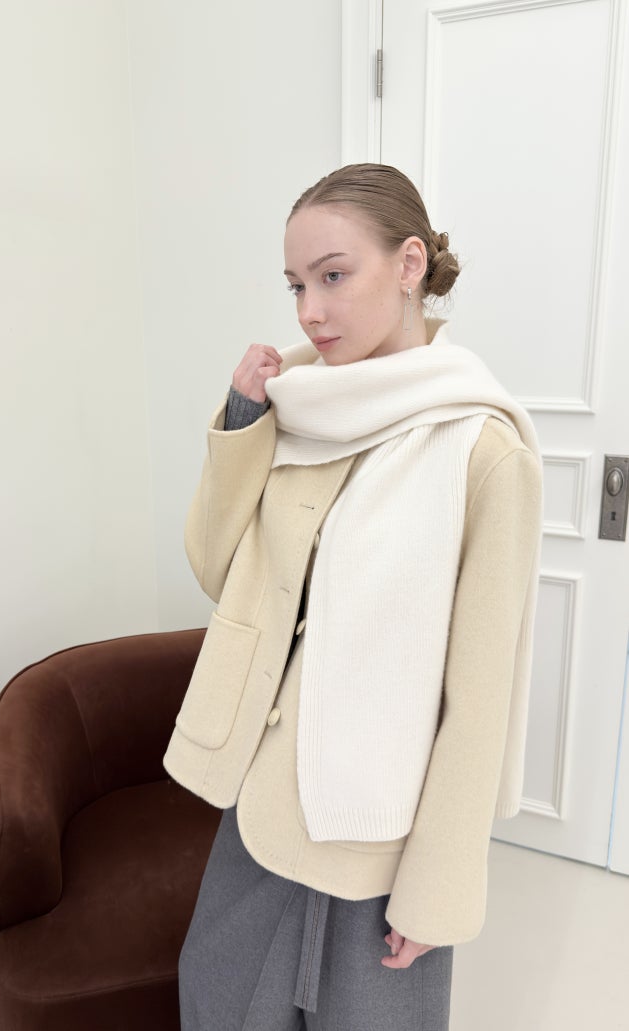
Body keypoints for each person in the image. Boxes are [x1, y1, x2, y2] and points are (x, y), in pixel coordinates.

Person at [164, 163, 542, 1030]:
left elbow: (478, 699)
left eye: (332, 275)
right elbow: (218, 569)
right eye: (296, 284)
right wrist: (242, 421)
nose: (308, 310)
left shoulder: (484, 451)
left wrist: (438, 887)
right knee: (216, 995)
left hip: (382, 825)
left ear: (408, 265)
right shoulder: (298, 410)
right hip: (262, 793)